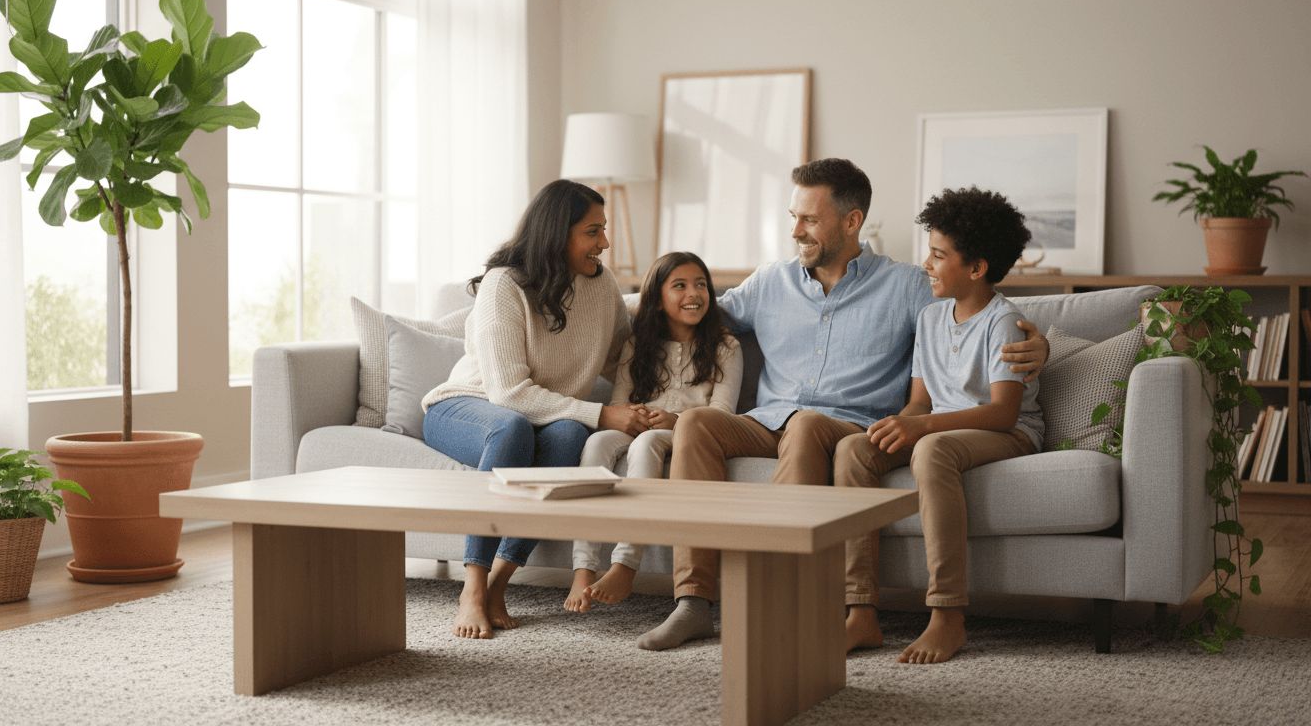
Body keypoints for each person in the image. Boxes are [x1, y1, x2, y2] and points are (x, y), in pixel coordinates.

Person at [637, 158, 1049, 652]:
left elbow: (976, 310)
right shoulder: (770, 281)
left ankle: (782, 597)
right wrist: (624, 309)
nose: (796, 231)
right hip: (769, 422)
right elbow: (690, 312)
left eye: (809, 219)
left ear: (851, 221)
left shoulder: (909, 286)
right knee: (699, 423)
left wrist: (1041, 346)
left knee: (809, 423)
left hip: (844, 425)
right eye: (794, 217)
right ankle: (693, 603)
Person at [421, 179, 646, 640]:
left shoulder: (601, 286)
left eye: (603, 230)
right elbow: (507, 395)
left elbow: (622, 357)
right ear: (557, 233)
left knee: (568, 435)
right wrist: (604, 415)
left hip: (535, 416)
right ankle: (472, 586)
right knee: (511, 429)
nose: (604, 242)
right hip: (466, 407)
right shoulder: (505, 284)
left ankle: (500, 584)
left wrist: (656, 398)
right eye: (593, 231)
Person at [865, 186, 1043, 664]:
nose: (926, 263)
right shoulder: (929, 317)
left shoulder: (1003, 322)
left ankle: (947, 615)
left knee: (932, 449)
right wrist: (893, 426)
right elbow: (920, 402)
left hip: (1008, 435)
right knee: (855, 451)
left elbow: (1004, 412)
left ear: (976, 268)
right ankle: (859, 609)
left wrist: (922, 430)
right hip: (943, 430)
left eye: (938, 255)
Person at [564, 252, 743, 613]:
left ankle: (626, 563)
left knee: (645, 443)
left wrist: (676, 421)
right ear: (658, 300)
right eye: (679, 285)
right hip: (640, 424)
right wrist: (637, 415)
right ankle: (583, 567)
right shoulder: (637, 345)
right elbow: (620, 402)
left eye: (701, 285)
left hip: (688, 433)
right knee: (597, 440)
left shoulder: (726, 347)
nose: (694, 293)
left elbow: (723, 414)